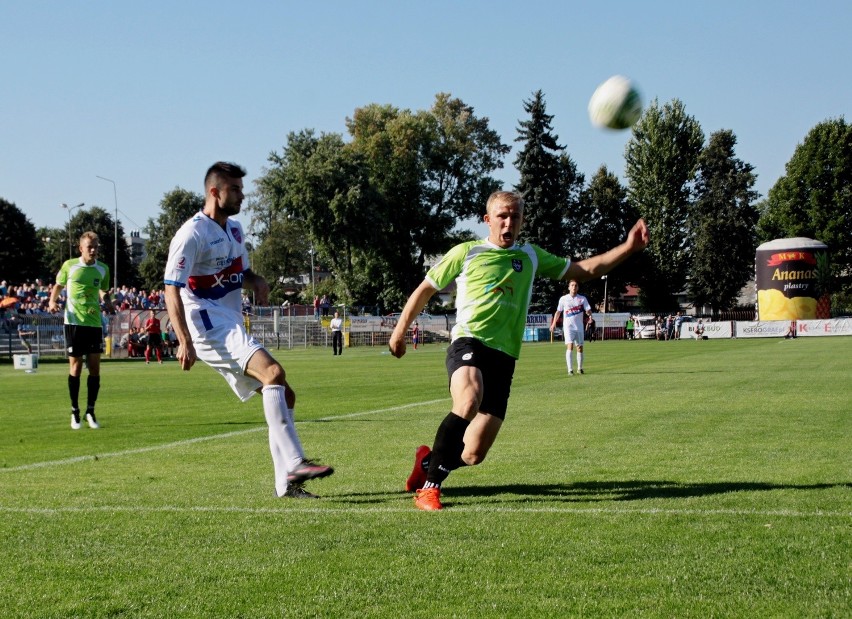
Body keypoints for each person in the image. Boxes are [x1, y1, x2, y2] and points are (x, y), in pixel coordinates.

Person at [389, 190, 649, 510]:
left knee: (473, 453)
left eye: (515, 216)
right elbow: (426, 289)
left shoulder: (530, 255)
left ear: (522, 220)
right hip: (469, 342)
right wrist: (400, 331)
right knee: (468, 399)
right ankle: (429, 488)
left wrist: (629, 247)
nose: (508, 222)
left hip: (505, 357)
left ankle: (428, 462)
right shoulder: (466, 252)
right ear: (488, 220)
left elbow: (585, 270)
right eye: (502, 215)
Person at [164, 162, 333, 499]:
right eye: (235, 189)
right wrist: (184, 341)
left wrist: (257, 281)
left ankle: (286, 486)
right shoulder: (191, 233)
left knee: (286, 394)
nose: (242, 195)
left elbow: (240, 272)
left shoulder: (235, 230)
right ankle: (295, 461)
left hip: (227, 320)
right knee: (273, 372)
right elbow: (171, 287)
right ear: (215, 192)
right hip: (207, 323)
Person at [48, 231, 115, 430]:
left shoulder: (103, 269)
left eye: (96, 247)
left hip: (94, 323)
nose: (93, 250)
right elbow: (58, 286)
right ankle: (75, 411)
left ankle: (90, 411)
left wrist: (108, 303)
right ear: (81, 248)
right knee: (76, 368)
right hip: (74, 322)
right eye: (89, 247)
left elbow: (103, 290)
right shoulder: (70, 266)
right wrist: (52, 301)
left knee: (95, 368)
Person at [550, 280, 592, 375]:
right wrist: (553, 324)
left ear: (578, 288)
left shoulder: (582, 299)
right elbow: (558, 312)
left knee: (580, 347)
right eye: (572, 285)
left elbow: (588, 310)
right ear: (569, 287)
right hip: (568, 327)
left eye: (576, 285)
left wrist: (589, 315)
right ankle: (570, 370)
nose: (574, 287)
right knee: (570, 346)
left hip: (579, 327)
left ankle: (580, 368)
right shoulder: (563, 299)